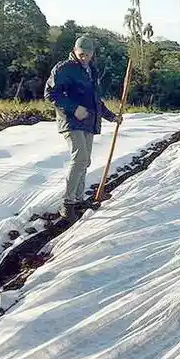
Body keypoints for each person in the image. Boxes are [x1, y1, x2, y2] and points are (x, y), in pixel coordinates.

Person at [44, 35, 122, 221]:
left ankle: (78, 200)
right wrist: (74, 108)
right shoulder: (64, 68)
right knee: (79, 158)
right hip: (71, 121)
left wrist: (112, 117)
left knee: (85, 161)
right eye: (81, 54)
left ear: (92, 53)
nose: (84, 57)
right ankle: (67, 203)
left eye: (87, 54)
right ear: (75, 50)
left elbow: (96, 101)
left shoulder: (91, 71)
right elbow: (50, 94)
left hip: (88, 122)